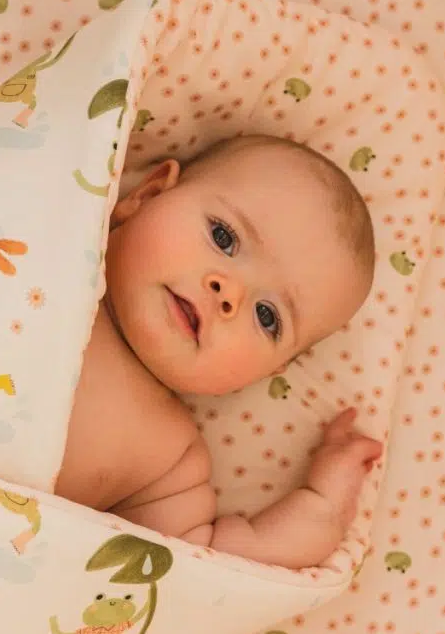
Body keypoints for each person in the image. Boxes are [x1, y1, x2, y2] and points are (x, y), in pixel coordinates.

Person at [55, 134, 383, 569]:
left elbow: (204, 563)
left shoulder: (168, 460)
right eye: (224, 237)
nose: (230, 293)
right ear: (147, 194)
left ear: (267, 372)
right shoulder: (52, 231)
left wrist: (323, 506)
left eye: (267, 317)